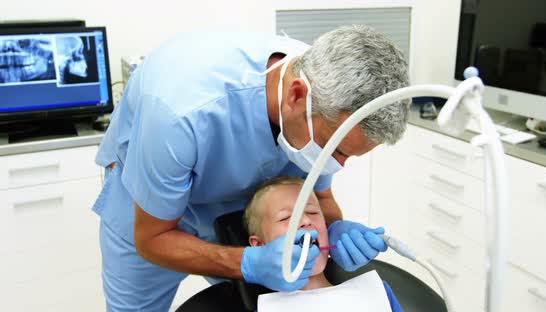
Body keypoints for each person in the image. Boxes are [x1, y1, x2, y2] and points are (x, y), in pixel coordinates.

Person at [92, 24, 410, 311]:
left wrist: (336, 228)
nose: (336, 165)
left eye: (348, 156)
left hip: (254, 204)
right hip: (148, 207)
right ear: (296, 96)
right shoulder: (179, 114)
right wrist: (247, 263)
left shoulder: (324, 88)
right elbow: (153, 237)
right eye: (335, 150)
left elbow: (321, 199)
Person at [243, 176, 404, 311]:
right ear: (259, 246)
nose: (306, 220)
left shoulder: (377, 293)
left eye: (312, 212)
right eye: (286, 218)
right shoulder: (267, 309)